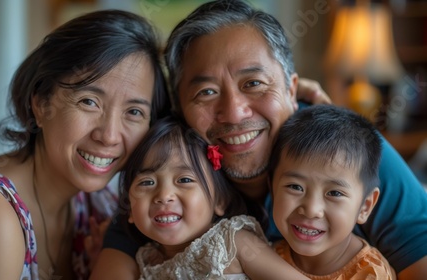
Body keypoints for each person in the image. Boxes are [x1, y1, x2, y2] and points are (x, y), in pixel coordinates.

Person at [92, 1, 427, 279]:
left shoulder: (346, 152)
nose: (235, 113)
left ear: (292, 90)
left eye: (253, 83)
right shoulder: (166, 179)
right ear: (180, 110)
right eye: (206, 92)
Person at [0, 10, 171, 280]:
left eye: (134, 112)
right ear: (41, 103)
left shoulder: (98, 207)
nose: (110, 135)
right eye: (89, 101)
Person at [118, 116, 310, 279]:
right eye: (146, 182)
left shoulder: (232, 242)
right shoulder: (147, 262)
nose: (164, 195)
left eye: (184, 179)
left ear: (219, 201)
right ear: (130, 209)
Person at [269, 104, 395, 279]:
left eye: (335, 193)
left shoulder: (370, 273)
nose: (312, 209)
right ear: (272, 188)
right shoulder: (269, 254)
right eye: (295, 187)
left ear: (365, 207)